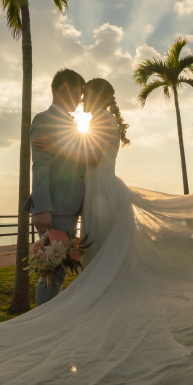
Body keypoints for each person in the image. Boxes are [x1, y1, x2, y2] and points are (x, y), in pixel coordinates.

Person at [33, 77, 130, 268]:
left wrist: (56, 147)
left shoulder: (99, 117)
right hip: (108, 188)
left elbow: (93, 158)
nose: (82, 100)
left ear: (97, 96)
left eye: (86, 95)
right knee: (107, 253)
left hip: (100, 191)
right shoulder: (110, 119)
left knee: (98, 254)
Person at [22, 68, 87, 305]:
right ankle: (44, 322)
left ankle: (49, 320)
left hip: (71, 206)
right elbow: (40, 165)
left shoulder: (71, 123)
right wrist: (41, 209)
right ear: (65, 88)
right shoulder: (44, 120)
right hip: (56, 208)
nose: (80, 101)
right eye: (79, 93)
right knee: (53, 271)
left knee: (60, 270)